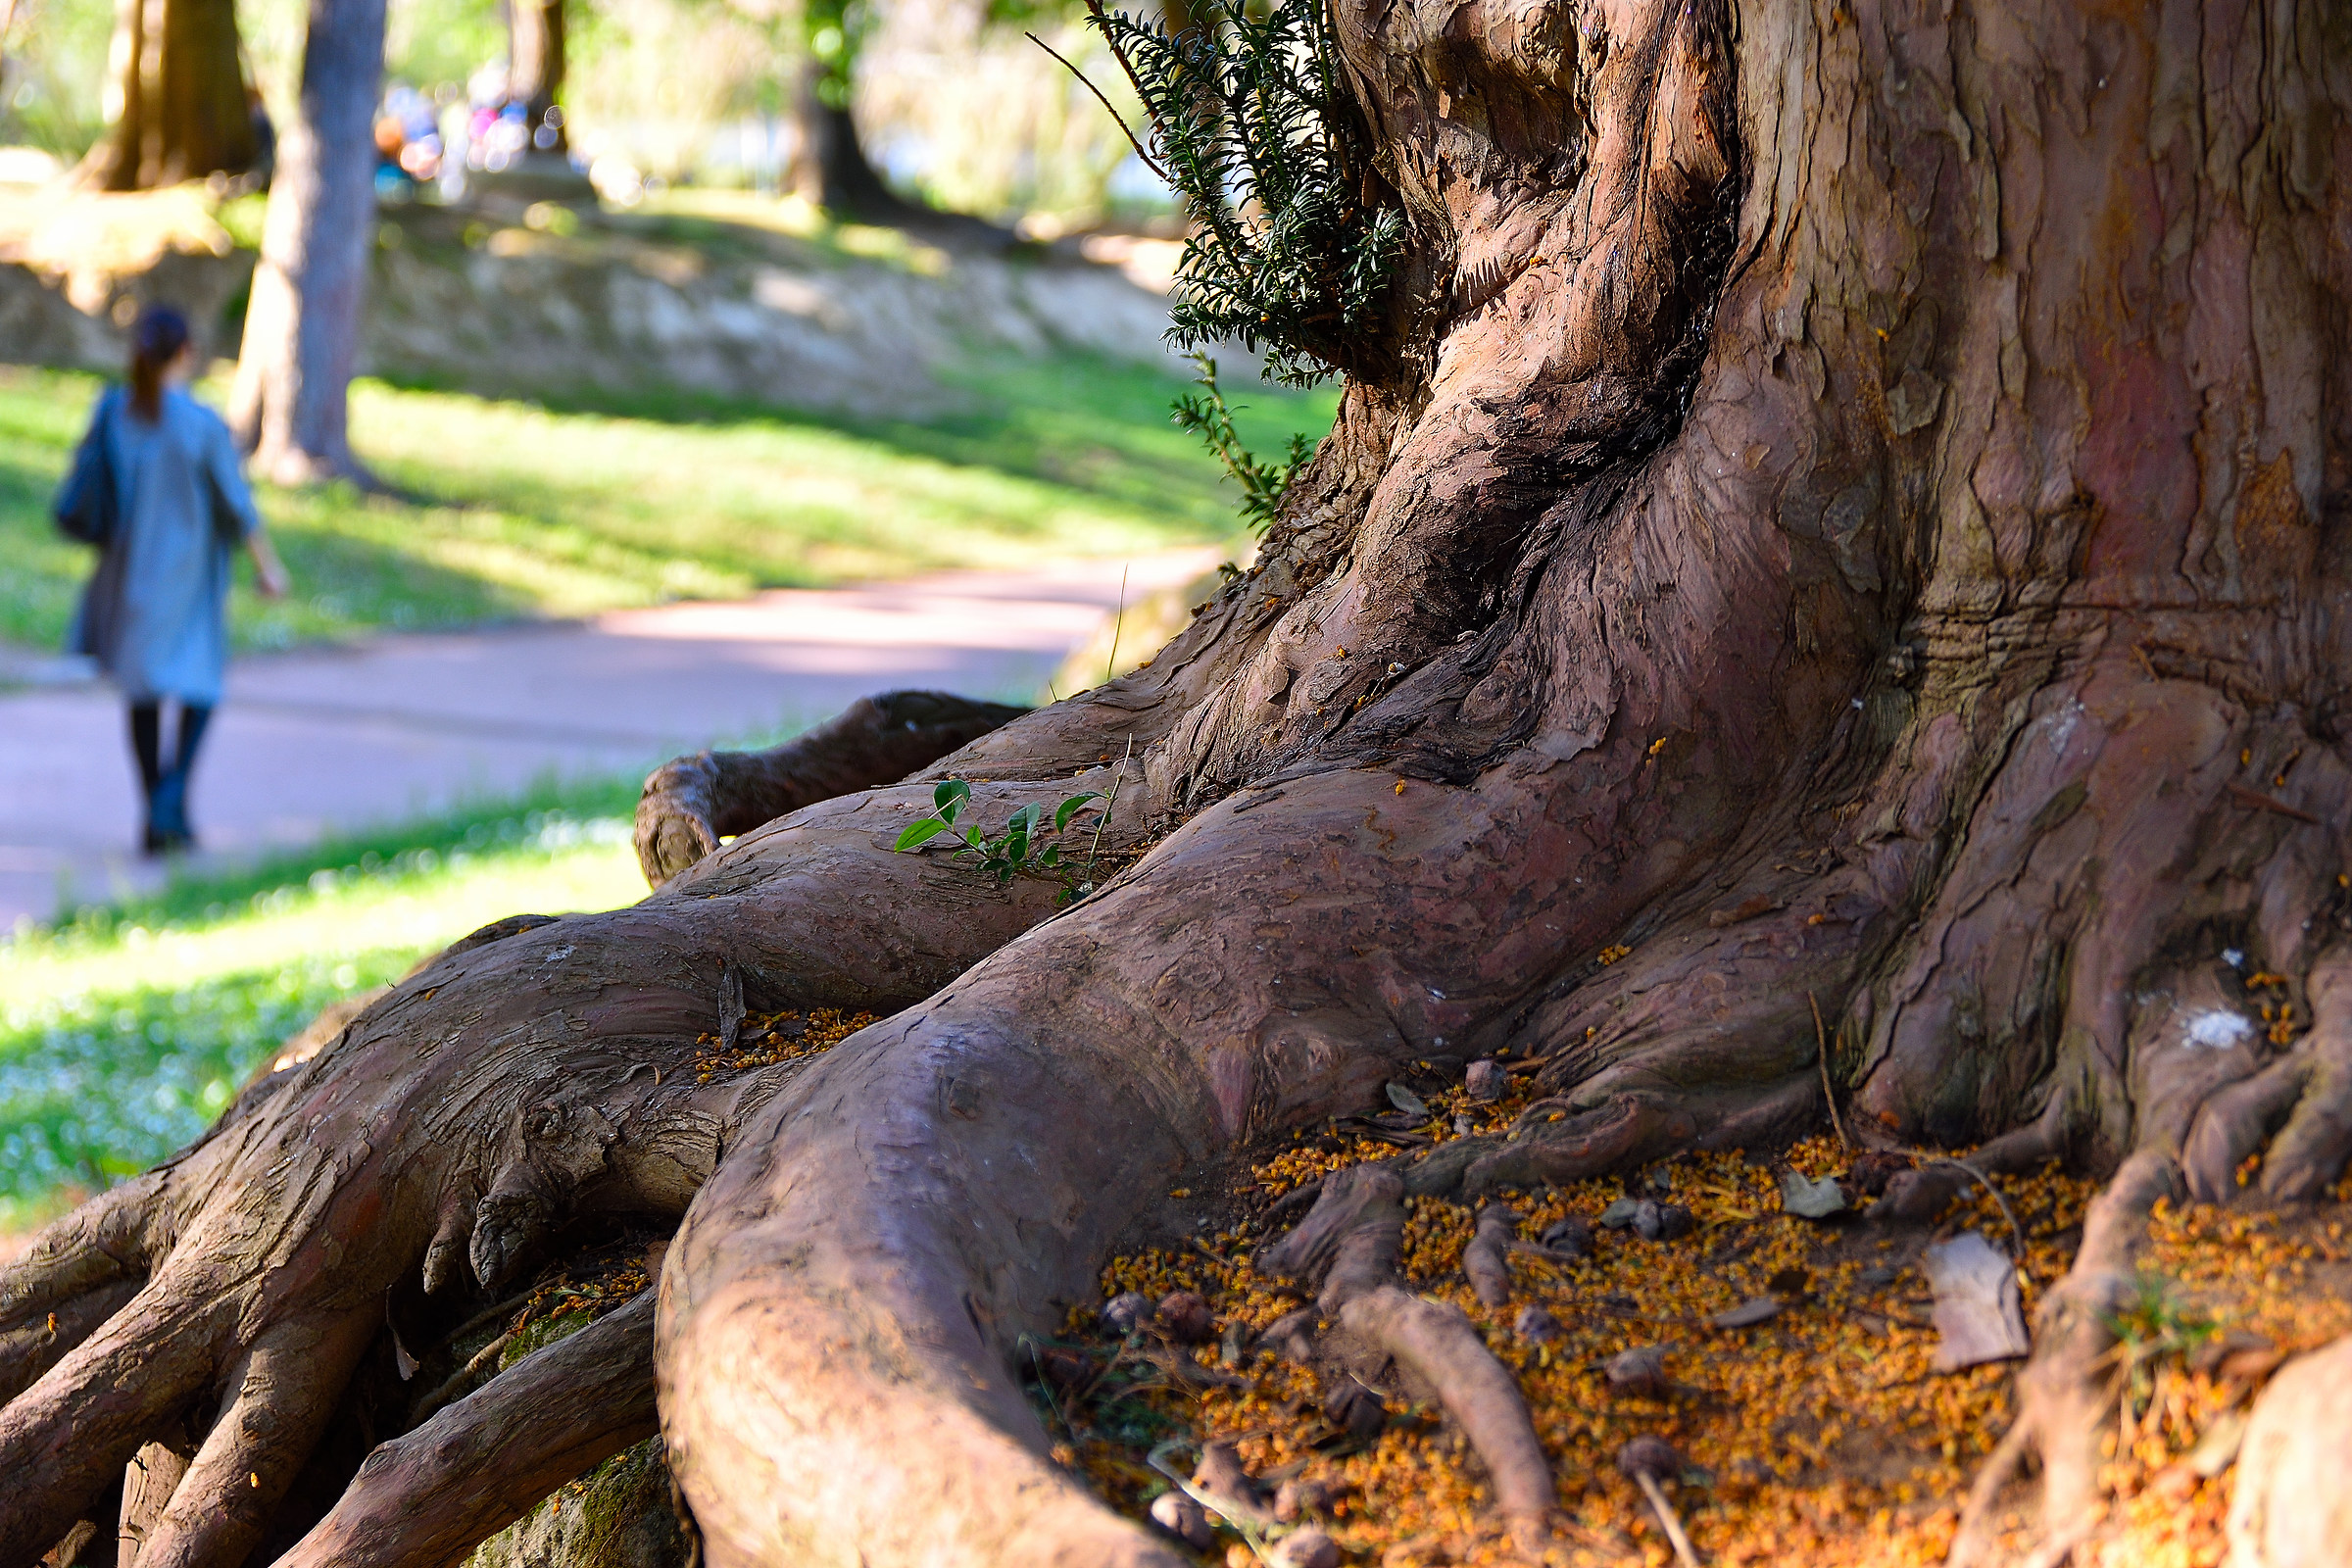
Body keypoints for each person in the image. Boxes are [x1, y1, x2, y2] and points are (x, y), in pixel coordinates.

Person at [64, 306, 290, 855]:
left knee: (142, 693)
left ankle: (159, 812)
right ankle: (170, 801)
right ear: (185, 352)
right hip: (188, 576)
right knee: (201, 685)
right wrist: (268, 568)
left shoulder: (117, 411)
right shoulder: (200, 424)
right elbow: (238, 508)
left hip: (128, 570)